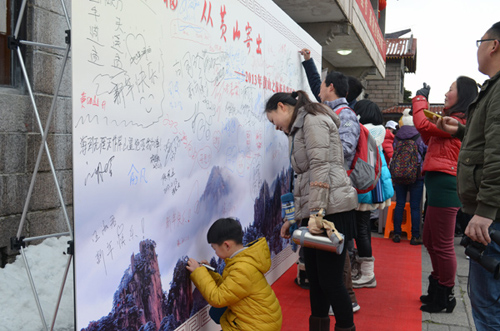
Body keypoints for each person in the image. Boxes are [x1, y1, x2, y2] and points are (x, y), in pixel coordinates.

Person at [265, 90, 357, 331]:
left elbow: (319, 167)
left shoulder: (312, 120)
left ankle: (346, 326)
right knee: (315, 280)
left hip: (331, 211)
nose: (275, 127)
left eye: (273, 120)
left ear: (282, 107)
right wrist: (296, 218)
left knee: (330, 281)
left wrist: (315, 214)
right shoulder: (297, 127)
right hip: (320, 209)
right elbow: (302, 180)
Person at [437, 22, 500, 330]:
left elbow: (498, 153)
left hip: (493, 217)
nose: (478, 48)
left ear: (494, 45)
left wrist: (486, 211)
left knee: (488, 304)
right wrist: (461, 131)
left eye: (480, 41)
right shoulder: (493, 89)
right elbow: (487, 142)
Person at [300, 48, 361, 314]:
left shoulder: (344, 115)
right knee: (324, 269)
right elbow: (317, 88)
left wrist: (323, 148)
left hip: (335, 194)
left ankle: (349, 301)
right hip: (328, 191)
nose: (318, 90)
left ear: (331, 88)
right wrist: (308, 62)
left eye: (322, 86)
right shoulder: (326, 109)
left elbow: (344, 151)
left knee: (335, 264)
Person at [412, 75, 479, 313]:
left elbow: (421, 125)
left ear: (463, 96)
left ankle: (446, 294)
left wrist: (420, 99)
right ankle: (438, 287)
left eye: (451, 89)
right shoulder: (452, 121)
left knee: (441, 243)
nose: (446, 94)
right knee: (431, 240)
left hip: (446, 186)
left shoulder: (459, 121)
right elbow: (427, 134)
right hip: (438, 184)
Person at [186, 218, 282, 331]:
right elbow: (230, 290)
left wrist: (199, 272)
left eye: (214, 248)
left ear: (227, 245)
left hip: (259, 326)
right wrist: (211, 274)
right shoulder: (243, 260)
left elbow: (218, 299)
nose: (215, 252)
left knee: (218, 312)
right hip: (262, 320)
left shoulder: (242, 269)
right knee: (217, 314)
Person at [351, 99, 394, 288]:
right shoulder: (378, 132)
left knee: (359, 229)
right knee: (363, 228)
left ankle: (367, 274)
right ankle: (363, 270)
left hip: (363, 187)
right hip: (374, 186)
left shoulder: (362, 131)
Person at [390, 109, 427, 244]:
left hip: (399, 174)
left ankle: (397, 234)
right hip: (416, 175)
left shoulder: (397, 136)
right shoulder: (419, 136)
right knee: (415, 206)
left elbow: (395, 150)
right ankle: (415, 236)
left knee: (400, 203)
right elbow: (425, 150)